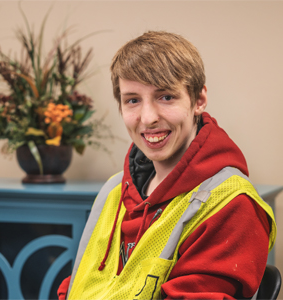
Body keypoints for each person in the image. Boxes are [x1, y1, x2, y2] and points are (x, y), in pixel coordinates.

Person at [57, 31, 276, 300]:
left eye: (166, 97)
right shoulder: (113, 191)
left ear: (199, 100)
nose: (148, 118)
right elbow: (78, 284)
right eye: (133, 100)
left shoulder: (232, 205)